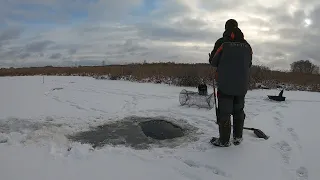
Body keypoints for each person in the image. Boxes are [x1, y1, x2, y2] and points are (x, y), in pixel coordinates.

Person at [208, 19, 253, 147]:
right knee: (238, 111)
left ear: (226, 28)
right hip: (241, 85)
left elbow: (213, 62)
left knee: (225, 112)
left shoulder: (222, 43)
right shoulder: (247, 45)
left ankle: (224, 141)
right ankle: (238, 138)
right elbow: (249, 64)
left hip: (225, 84)